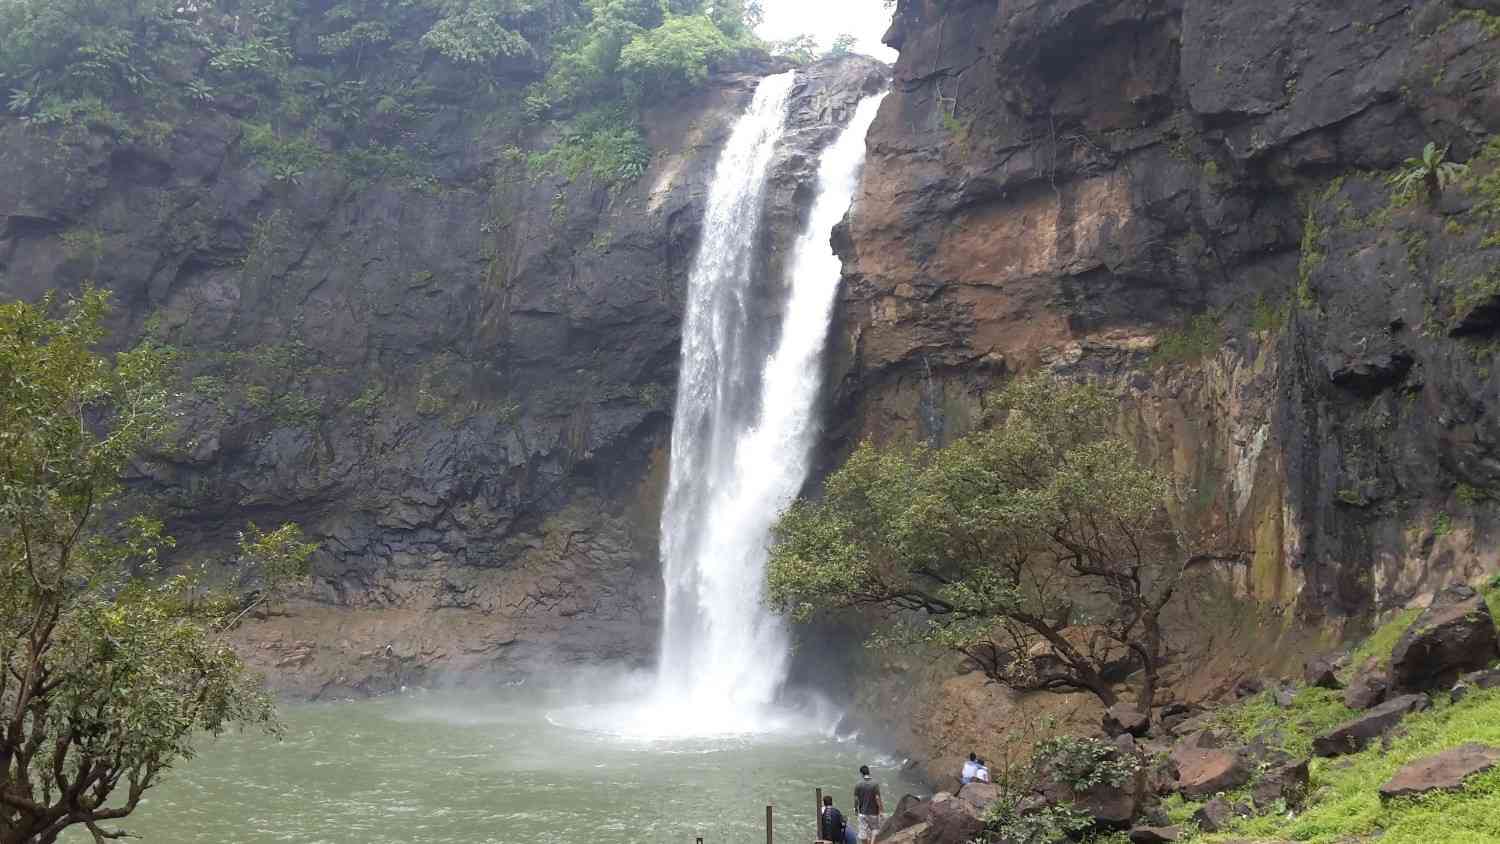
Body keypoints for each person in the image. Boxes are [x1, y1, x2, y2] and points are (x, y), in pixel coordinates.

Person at [853, 764, 884, 844]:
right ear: (868, 772)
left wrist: (855, 809)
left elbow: (856, 799)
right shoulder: (875, 784)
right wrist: (880, 810)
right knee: (875, 829)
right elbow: (877, 798)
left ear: (861, 773)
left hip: (862, 813)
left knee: (863, 833)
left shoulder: (858, 784)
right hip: (874, 813)